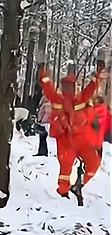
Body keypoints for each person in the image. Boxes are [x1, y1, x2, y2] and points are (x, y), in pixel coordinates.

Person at [40, 64, 103, 197]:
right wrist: (43, 75)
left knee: (94, 162)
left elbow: (90, 89)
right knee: (66, 165)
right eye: (66, 86)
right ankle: (63, 192)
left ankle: (80, 184)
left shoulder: (81, 99)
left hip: (81, 138)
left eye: (71, 87)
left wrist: (97, 75)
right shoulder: (57, 99)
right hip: (64, 139)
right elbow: (48, 88)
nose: (69, 89)